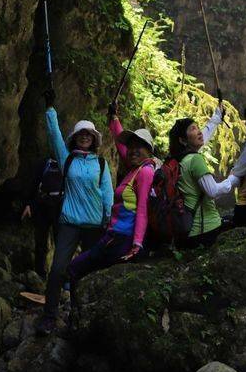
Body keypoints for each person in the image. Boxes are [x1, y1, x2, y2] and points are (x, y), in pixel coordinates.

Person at [36, 91, 113, 335]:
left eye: (88, 134)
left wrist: (108, 219)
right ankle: (49, 316)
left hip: (94, 225)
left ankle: (82, 316)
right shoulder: (67, 159)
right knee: (58, 269)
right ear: (75, 138)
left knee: (89, 272)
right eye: (81, 134)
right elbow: (54, 135)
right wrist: (50, 109)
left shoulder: (100, 164)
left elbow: (107, 192)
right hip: (69, 223)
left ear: (93, 139)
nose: (84, 137)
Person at [66, 124, 155, 290]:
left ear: (149, 150)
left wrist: (137, 244)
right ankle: (75, 309)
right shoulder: (135, 169)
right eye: (131, 147)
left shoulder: (145, 172)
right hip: (115, 234)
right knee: (85, 272)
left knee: (74, 268)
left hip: (122, 237)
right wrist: (114, 121)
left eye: (139, 147)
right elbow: (124, 149)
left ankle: (73, 311)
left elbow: (142, 208)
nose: (133, 150)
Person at [166, 115, 238, 248]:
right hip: (206, 231)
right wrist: (234, 178)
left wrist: (216, 118)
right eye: (193, 129)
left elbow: (204, 135)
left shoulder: (179, 161)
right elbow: (213, 192)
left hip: (187, 231)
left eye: (198, 128)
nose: (199, 132)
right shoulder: (195, 160)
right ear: (183, 140)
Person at [21, 156, 62, 278]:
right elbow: (34, 184)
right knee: (40, 242)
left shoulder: (69, 162)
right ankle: (40, 273)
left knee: (60, 242)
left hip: (60, 206)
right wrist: (29, 204)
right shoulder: (45, 163)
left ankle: (59, 274)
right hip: (42, 205)